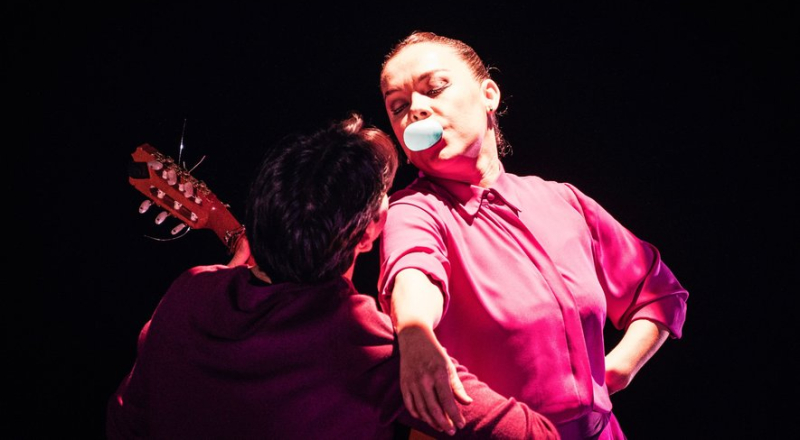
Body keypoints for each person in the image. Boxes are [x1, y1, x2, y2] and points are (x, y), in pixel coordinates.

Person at [106, 112, 560, 439]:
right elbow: (537, 434)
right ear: (373, 230)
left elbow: (124, 422)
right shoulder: (370, 346)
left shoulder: (189, 294)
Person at [377, 31, 690, 440]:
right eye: (398, 106)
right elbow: (414, 270)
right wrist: (416, 333)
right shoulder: (413, 210)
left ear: (489, 94)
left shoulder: (563, 201)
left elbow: (658, 293)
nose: (415, 110)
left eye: (434, 87)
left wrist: (618, 370)